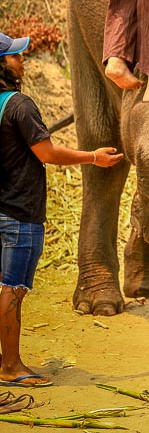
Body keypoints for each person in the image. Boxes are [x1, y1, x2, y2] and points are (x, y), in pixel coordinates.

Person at [0, 32, 123, 388]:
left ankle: (7, 360)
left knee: (4, 288)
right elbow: (48, 154)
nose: (23, 60)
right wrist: (93, 157)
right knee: (13, 289)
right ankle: (11, 367)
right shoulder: (20, 106)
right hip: (20, 214)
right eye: (15, 56)